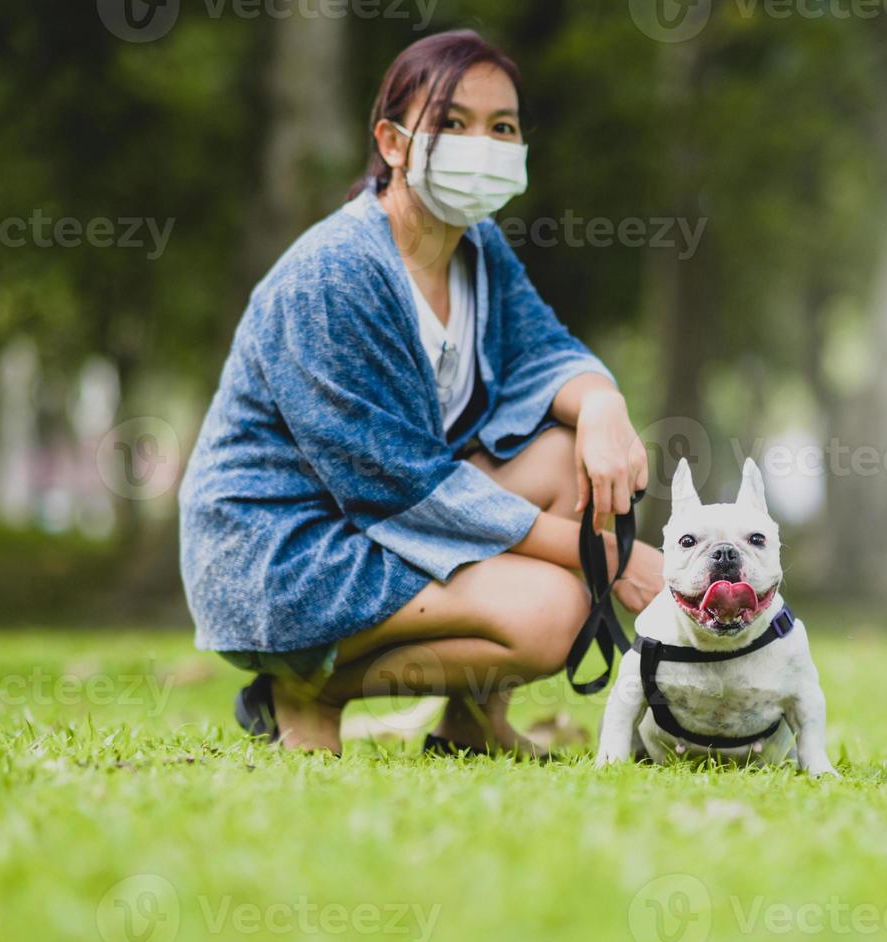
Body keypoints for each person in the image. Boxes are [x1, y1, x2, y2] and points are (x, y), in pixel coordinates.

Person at [179, 30, 664, 756]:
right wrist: (608, 558)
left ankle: (473, 725)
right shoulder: (336, 272)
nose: (482, 143)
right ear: (392, 141)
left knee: (572, 456)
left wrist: (602, 405)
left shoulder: (477, 248)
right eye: (451, 122)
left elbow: (545, 353)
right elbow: (399, 485)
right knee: (552, 612)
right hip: (286, 548)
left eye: (501, 126)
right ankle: (304, 688)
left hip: (384, 519)